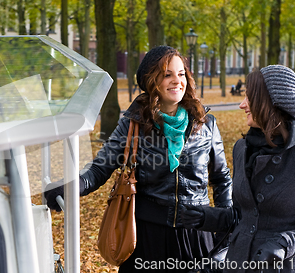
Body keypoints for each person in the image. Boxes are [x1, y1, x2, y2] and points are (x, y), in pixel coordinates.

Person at [44, 45, 232, 272]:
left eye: (181, 74)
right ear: (151, 81)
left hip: (196, 237)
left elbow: (221, 180)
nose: (176, 81)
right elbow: (99, 169)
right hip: (146, 236)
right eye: (167, 74)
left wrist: (226, 233)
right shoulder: (133, 123)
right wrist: (70, 187)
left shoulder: (206, 124)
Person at [181, 65, 295, 273]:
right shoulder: (242, 148)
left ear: (271, 103)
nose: (241, 105)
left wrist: (285, 243)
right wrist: (206, 217)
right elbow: (242, 215)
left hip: (285, 267)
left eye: (249, 98)